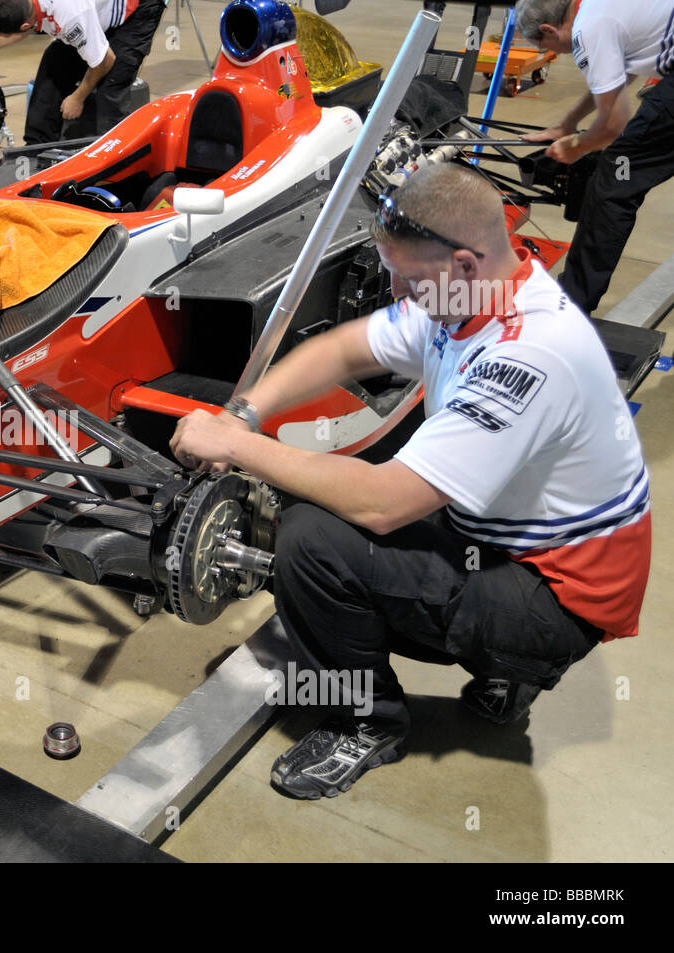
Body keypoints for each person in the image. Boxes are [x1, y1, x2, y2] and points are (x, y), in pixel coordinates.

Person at [169, 163, 651, 799]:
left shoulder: (529, 355)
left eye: (406, 275)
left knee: (311, 539)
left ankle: (367, 722)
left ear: (464, 262)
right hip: (522, 545)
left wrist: (239, 447)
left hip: (561, 597)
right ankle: (503, 666)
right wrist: (245, 414)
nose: (393, 288)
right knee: (337, 487)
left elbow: (384, 506)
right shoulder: (464, 298)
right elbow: (342, 350)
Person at [515, 0, 674, 314]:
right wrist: (567, 124)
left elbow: (613, 125)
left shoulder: (587, 29)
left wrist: (577, 147)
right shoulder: (596, 7)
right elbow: (616, 77)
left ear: (548, 29)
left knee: (616, 175)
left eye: (540, 44)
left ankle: (572, 302)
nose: (548, 52)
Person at [0, 0, 165, 145]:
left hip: (140, 8)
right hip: (95, 8)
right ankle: (36, 149)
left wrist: (78, 97)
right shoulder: (27, 7)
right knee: (53, 64)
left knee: (111, 85)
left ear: (26, 25)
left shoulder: (70, 15)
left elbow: (104, 60)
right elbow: (19, 26)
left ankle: (112, 166)